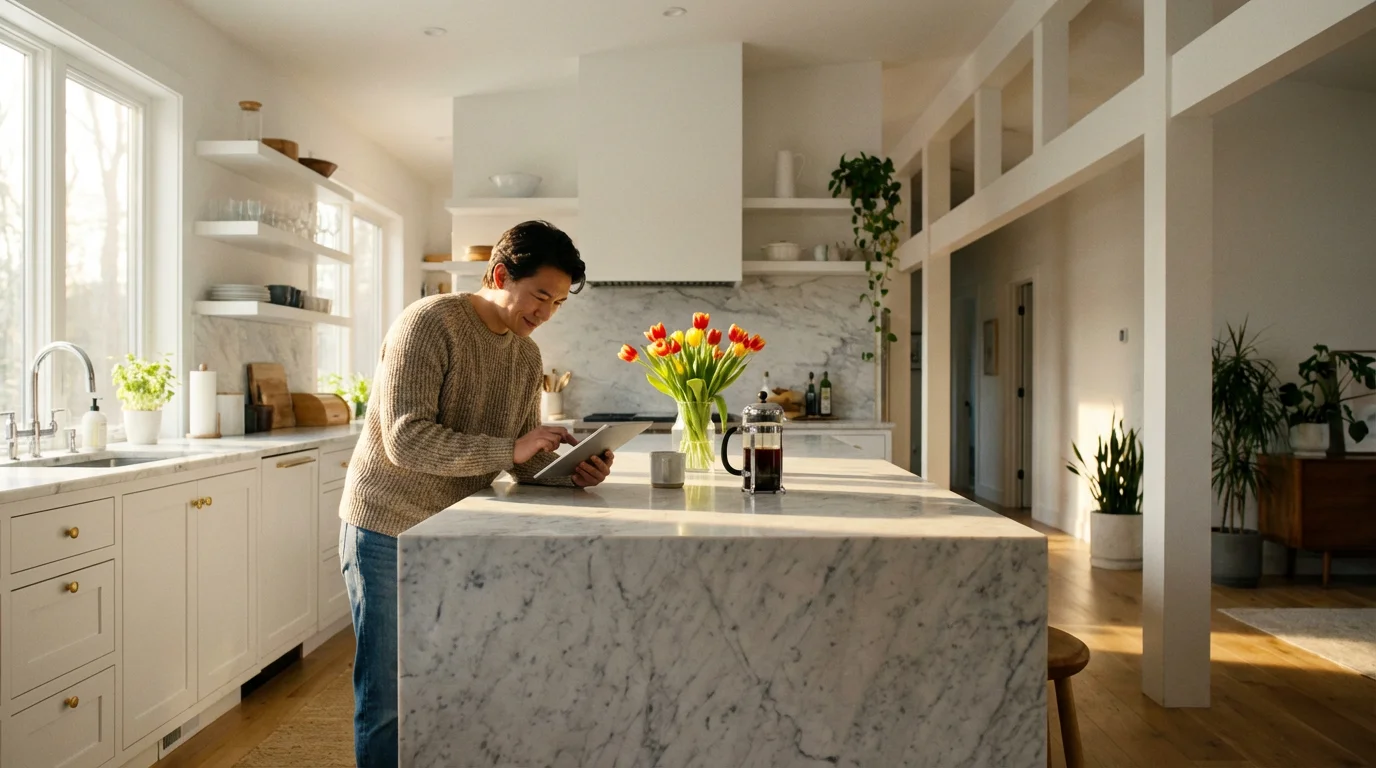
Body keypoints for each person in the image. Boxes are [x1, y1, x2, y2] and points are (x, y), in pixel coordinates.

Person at [338, 220, 613, 767]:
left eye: (558, 303)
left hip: (454, 533)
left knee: (450, 682)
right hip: (386, 529)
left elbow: (521, 458)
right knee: (388, 698)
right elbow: (404, 439)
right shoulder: (429, 323)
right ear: (498, 273)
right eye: (540, 295)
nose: (545, 313)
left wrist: (571, 470)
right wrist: (513, 450)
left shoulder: (526, 357)